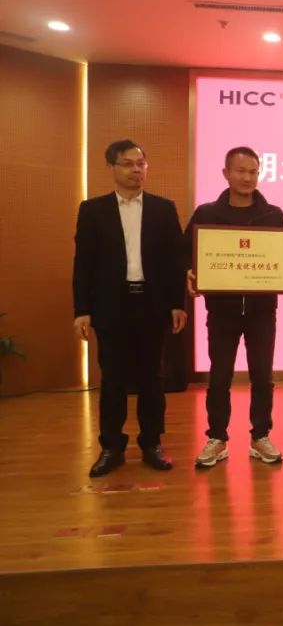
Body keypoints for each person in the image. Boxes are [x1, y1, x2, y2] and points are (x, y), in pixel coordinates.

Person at [73, 139, 187, 477]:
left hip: (152, 304)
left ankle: (152, 443)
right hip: (111, 305)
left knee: (152, 377)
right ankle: (111, 447)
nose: (136, 170)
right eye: (127, 163)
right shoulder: (93, 210)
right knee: (113, 379)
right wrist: (81, 310)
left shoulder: (163, 208)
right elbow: (83, 264)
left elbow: (174, 261)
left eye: (140, 163)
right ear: (111, 167)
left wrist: (177, 304)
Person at [185, 146, 283, 468]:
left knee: (263, 376)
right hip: (222, 311)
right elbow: (186, 254)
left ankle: (260, 435)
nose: (247, 177)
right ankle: (217, 437)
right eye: (240, 171)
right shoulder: (206, 214)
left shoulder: (273, 215)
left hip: (262, 311)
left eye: (253, 171)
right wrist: (190, 272)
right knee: (219, 376)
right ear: (226, 173)